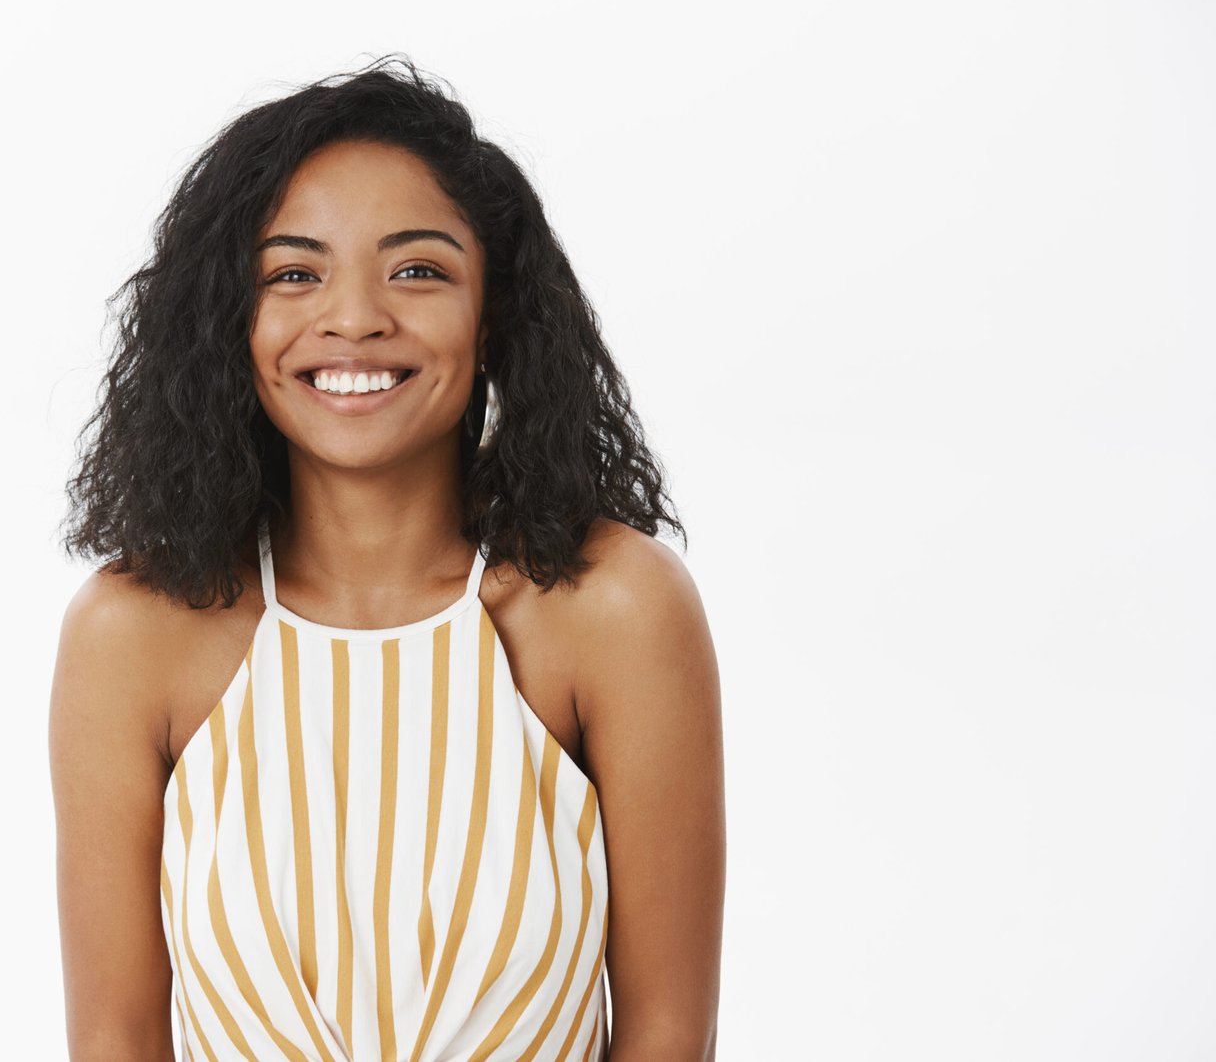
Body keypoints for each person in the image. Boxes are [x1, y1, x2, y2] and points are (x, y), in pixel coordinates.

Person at [49, 55, 724, 1062]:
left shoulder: (613, 610)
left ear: (493, 318)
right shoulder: (132, 632)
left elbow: (670, 1034)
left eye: (416, 269)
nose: (355, 316)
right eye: (293, 273)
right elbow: (116, 1038)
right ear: (230, 325)